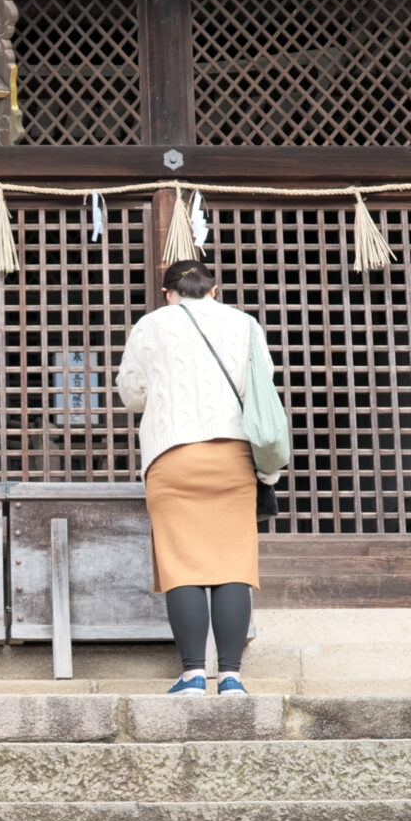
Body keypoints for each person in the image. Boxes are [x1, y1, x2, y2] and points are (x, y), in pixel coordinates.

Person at [114, 258, 280, 696]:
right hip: (233, 454)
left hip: (172, 455)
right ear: (214, 289)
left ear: (168, 293)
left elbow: (131, 394)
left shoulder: (150, 326)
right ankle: (231, 677)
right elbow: (263, 382)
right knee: (233, 564)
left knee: (182, 564)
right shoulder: (244, 324)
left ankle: (191, 676)